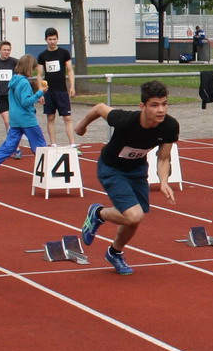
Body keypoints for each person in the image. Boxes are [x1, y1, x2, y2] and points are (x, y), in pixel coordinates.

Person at [77, 80, 179, 275]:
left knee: (134, 219)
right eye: (154, 105)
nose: (161, 110)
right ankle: (98, 213)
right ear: (142, 106)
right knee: (134, 215)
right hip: (111, 168)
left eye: (164, 104)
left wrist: (164, 181)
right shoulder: (124, 120)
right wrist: (81, 127)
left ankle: (114, 252)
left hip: (137, 170)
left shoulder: (169, 126)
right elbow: (99, 108)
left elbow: (163, 158)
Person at [0, 55, 48, 179]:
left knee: (8, 146)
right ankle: (47, 170)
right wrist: (40, 93)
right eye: (32, 68)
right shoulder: (24, 83)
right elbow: (25, 102)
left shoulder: (14, 80)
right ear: (28, 67)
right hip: (27, 120)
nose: (33, 71)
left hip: (14, 119)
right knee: (40, 145)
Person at [37, 27, 77, 149]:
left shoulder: (64, 53)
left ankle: (72, 144)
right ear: (46, 40)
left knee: (67, 117)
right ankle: (53, 143)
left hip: (62, 90)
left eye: (54, 39)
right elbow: (39, 74)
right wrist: (40, 91)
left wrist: (72, 86)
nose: (52, 42)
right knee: (50, 117)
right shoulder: (42, 56)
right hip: (49, 91)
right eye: (50, 39)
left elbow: (70, 70)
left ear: (57, 39)